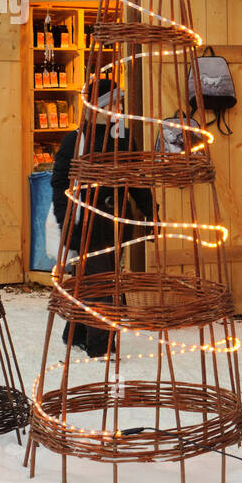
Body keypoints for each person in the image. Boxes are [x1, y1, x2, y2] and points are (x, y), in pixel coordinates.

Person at [51, 79, 153, 358]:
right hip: (87, 220)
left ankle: (76, 331)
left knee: (96, 277)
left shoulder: (123, 138)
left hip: (115, 219)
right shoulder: (77, 140)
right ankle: (101, 345)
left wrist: (150, 213)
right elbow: (60, 183)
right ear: (96, 107)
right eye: (113, 104)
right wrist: (66, 223)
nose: (118, 109)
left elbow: (136, 178)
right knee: (102, 283)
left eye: (120, 104)